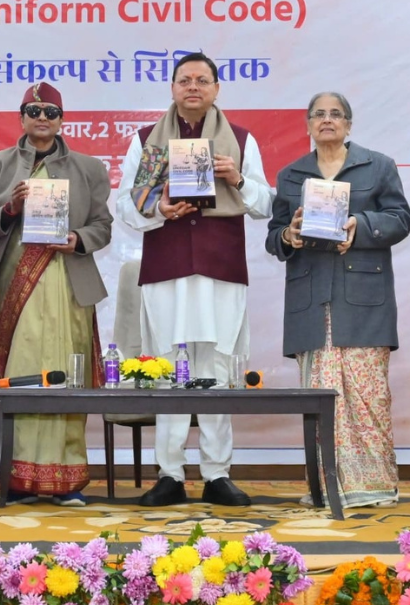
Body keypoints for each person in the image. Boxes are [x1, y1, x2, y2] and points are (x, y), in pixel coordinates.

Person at [114, 52, 273, 507]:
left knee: (217, 369)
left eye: (203, 80)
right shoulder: (146, 140)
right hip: (166, 272)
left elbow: (265, 203)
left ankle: (217, 473)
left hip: (221, 271)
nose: (193, 88)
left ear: (217, 89)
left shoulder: (240, 139)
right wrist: (157, 209)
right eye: (185, 80)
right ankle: (169, 474)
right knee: (167, 368)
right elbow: (123, 205)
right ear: (172, 87)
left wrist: (237, 178)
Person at [266, 93, 410, 508]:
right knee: (320, 398)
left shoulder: (378, 165)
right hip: (311, 300)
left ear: (349, 124)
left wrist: (359, 225)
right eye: (319, 114)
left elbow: (401, 219)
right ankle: (326, 485)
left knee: (368, 397)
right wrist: (289, 235)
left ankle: (375, 486)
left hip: (363, 300)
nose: (327, 120)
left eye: (336, 114)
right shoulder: (291, 175)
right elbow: (275, 235)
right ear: (308, 125)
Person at [0, 82, 114, 507]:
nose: (42, 118)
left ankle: (66, 478)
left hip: (67, 283)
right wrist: (11, 207)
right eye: (34, 111)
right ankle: (16, 478)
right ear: (21, 118)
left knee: (65, 373)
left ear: (62, 120)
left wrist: (77, 239)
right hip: (14, 287)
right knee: (23, 373)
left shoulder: (88, 168)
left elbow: (103, 226)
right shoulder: (0, 163)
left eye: (50, 112)